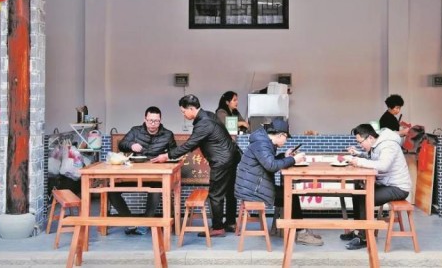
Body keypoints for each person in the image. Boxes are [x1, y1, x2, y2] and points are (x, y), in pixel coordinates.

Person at [152, 94, 241, 237]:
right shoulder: (208, 115)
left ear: (191, 109)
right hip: (231, 157)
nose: (183, 114)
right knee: (229, 192)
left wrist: (167, 156)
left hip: (222, 161)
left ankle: (218, 228)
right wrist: (180, 153)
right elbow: (197, 142)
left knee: (215, 194)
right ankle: (230, 223)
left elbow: (190, 143)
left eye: (183, 111)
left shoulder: (203, 123)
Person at [235, 119, 323, 246]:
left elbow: (268, 161)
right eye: (286, 138)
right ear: (281, 135)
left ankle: (300, 230)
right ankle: (301, 233)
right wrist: (293, 160)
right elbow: (271, 166)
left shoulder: (263, 141)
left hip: (253, 186)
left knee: (290, 194)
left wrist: (285, 156)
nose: (286, 141)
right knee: (291, 196)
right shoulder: (262, 144)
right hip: (253, 190)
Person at [342, 123, 412, 250]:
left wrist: (359, 161)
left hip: (398, 188)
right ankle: (359, 229)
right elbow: (374, 158)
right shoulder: (377, 144)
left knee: (364, 197)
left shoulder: (388, 145)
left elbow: (383, 165)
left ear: (370, 138)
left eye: (360, 142)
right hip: (386, 184)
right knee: (357, 192)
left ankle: (364, 237)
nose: (360, 145)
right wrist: (358, 154)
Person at [110, 106, 176, 236]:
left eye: (156, 121)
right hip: (135, 174)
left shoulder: (167, 134)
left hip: (156, 175)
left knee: (157, 189)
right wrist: (131, 145)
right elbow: (121, 145)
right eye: (150, 120)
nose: (153, 124)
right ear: (145, 119)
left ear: (160, 120)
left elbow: (174, 153)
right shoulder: (135, 131)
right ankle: (130, 221)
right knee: (111, 191)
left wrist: (166, 157)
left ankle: (145, 223)